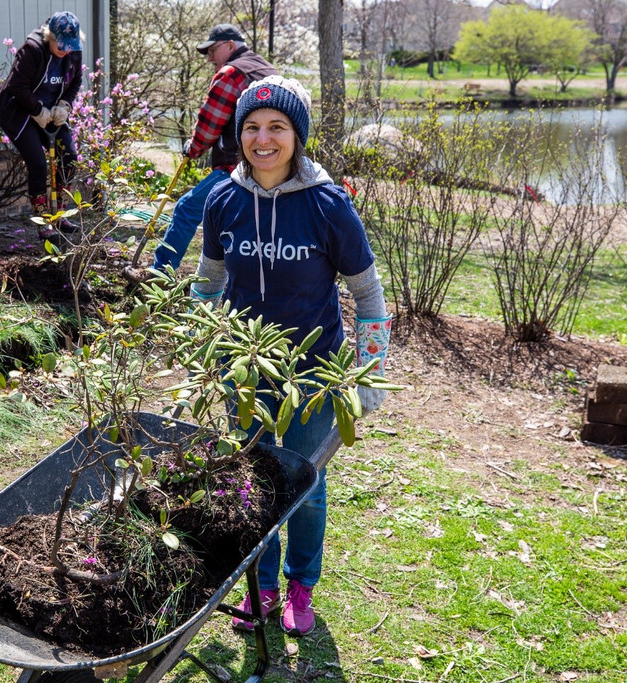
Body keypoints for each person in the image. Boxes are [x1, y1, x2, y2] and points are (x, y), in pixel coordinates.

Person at [191, 75, 392, 636]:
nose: (263, 139)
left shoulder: (329, 205)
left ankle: (302, 584)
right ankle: (263, 586)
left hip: (313, 373)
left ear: (296, 135)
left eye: (276, 127)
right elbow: (208, 284)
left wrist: (370, 370)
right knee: (250, 480)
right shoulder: (222, 199)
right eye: (251, 127)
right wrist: (202, 341)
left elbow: (368, 293)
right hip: (243, 370)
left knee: (303, 484)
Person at [125, 23, 277, 281]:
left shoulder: (231, 73)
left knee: (186, 208)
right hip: (275, 169)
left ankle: (159, 273)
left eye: (212, 51)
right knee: (243, 226)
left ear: (230, 45)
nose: (209, 59)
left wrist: (193, 148)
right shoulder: (267, 69)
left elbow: (209, 126)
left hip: (238, 167)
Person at [0, 11, 84, 240]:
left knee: (68, 157)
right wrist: (37, 110)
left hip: (52, 111)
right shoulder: (31, 50)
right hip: (21, 110)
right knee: (38, 163)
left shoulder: (73, 51)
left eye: (70, 47)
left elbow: (76, 80)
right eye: (61, 46)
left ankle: (59, 214)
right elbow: (17, 86)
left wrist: (64, 104)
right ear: (49, 36)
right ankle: (43, 220)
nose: (66, 51)